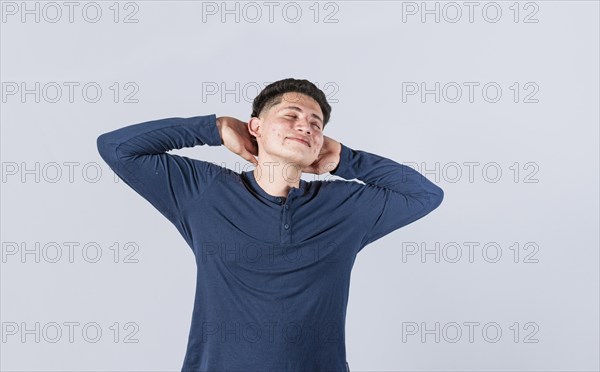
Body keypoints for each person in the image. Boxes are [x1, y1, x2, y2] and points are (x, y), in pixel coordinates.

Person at [96, 78, 444, 372]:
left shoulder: (344, 208)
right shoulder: (204, 192)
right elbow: (117, 147)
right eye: (290, 115)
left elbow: (424, 195)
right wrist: (215, 128)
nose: (305, 126)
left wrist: (346, 159)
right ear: (256, 128)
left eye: (316, 124)